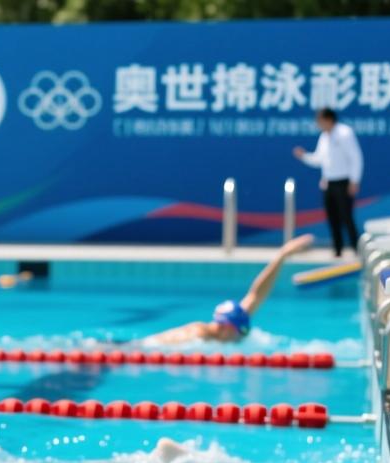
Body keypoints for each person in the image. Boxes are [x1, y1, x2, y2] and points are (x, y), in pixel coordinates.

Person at [147, 234, 314, 344]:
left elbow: (256, 294)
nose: (240, 338)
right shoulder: (197, 335)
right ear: (226, 327)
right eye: (239, 333)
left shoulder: (227, 326)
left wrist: (283, 254)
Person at [293, 108, 363, 257]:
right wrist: (304, 156)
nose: (318, 124)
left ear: (329, 119)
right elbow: (319, 159)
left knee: (346, 217)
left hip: (343, 182)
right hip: (328, 183)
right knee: (332, 218)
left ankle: (357, 250)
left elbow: (356, 158)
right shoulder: (324, 137)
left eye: (320, 120)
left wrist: (354, 181)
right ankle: (337, 250)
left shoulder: (345, 133)